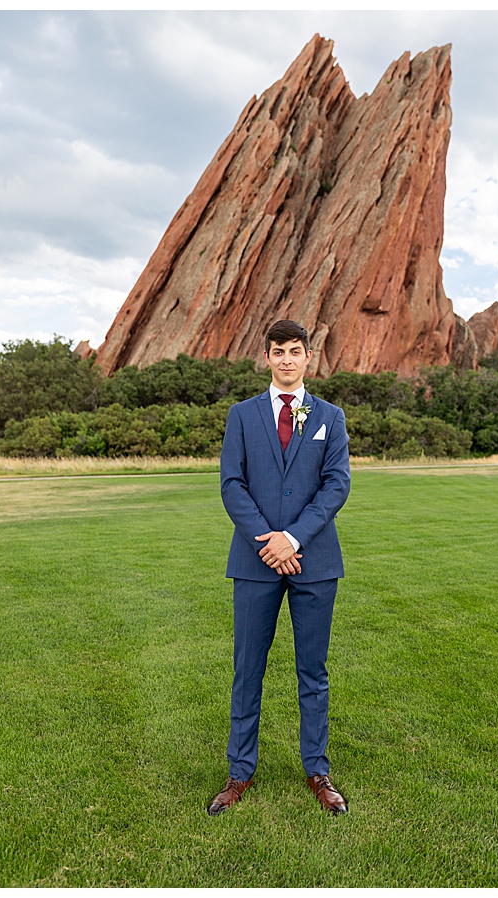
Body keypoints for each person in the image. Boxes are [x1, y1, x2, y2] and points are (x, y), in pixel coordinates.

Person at [208, 319, 351, 817]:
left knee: (313, 672)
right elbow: (232, 484)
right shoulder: (242, 415)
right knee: (247, 670)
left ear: (309, 357)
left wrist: (292, 538)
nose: (287, 359)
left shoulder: (330, 417)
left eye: (295, 351)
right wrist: (268, 541)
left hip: (315, 561)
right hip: (254, 561)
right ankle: (239, 772)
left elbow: (337, 485)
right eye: (278, 351)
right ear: (265, 357)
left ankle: (317, 769)